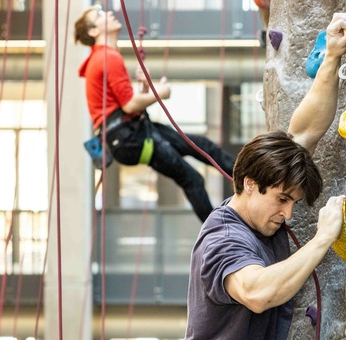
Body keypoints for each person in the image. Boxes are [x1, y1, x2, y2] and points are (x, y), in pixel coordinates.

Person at [174, 13, 346, 340]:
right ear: (249, 184)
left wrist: (332, 57)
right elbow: (256, 292)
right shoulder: (223, 238)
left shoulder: (264, 196)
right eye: (282, 200)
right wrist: (324, 237)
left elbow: (305, 129)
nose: (288, 213)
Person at [74, 5, 237, 222]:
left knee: (202, 147)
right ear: (94, 31)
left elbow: (126, 106)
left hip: (129, 133)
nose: (109, 14)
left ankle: (247, 176)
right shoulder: (106, 57)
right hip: (129, 136)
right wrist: (160, 93)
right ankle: (219, 233)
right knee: (192, 179)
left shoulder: (105, 57)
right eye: (101, 15)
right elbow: (130, 105)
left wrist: (143, 88)